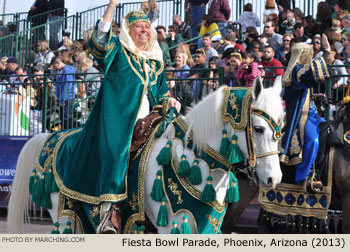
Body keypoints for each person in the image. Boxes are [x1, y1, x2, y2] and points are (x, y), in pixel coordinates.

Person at [53, 0, 181, 234]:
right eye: (138, 26)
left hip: (149, 120)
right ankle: (108, 212)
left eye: (146, 26)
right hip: (118, 122)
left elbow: (161, 92)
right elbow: (99, 43)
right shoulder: (117, 51)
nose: (144, 29)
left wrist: (169, 100)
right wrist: (112, 5)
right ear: (128, 31)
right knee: (116, 153)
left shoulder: (155, 62)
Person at [281, 34, 332, 187]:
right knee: (312, 140)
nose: (310, 57)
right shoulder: (297, 71)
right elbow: (316, 71)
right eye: (308, 54)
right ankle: (303, 176)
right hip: (301, 119)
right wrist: (327, 51)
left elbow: (303, 96)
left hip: (312, 115)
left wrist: (315, 97)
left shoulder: (298, 73)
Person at [50, 56, 76, 129]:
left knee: (67, 117)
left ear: (58, 63)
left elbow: (67, 85)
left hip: (67, 98)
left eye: (54, 66)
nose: (54, 68)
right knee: (63, 117)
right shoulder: (60, 71)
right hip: (63, 98)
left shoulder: (66, 71)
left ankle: (69, 133)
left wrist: (62, 99)